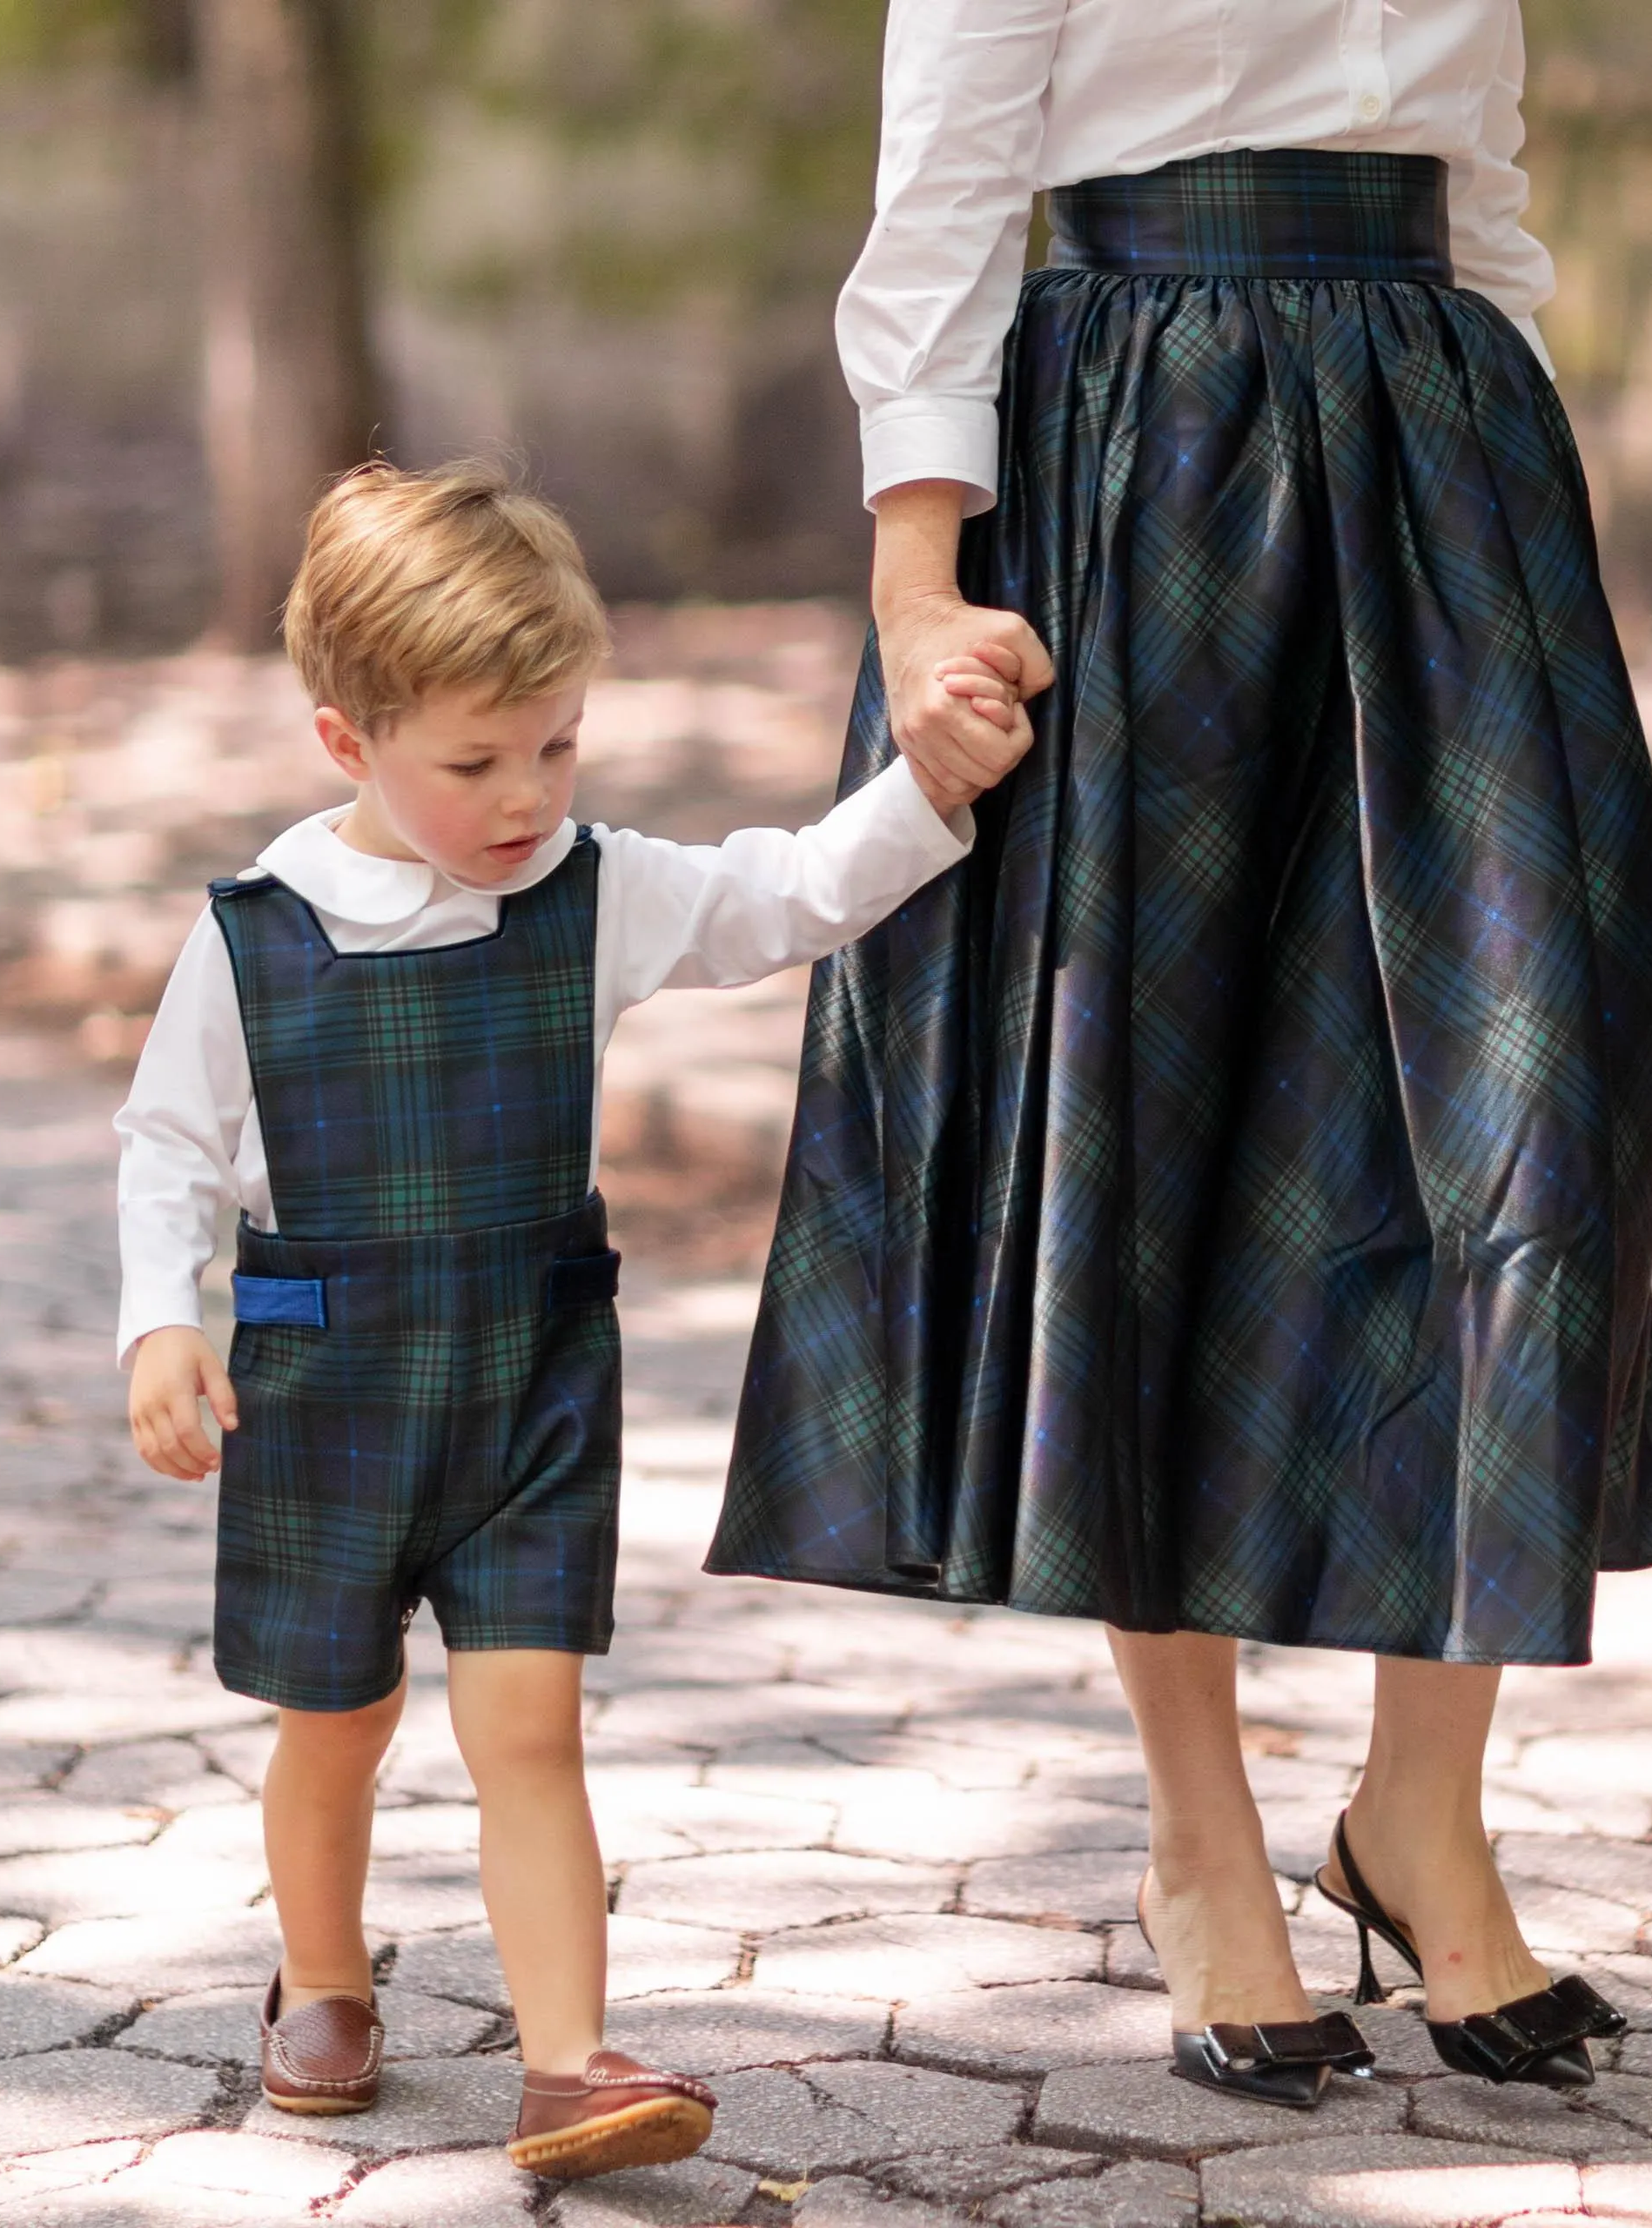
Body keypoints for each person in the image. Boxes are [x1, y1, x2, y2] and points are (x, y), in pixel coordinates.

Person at [709, 0, 1652, 2104]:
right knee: (1144, 1148)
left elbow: (1489, 205)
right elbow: (948, 212)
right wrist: (915, 587)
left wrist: (1527, 509)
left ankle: (1419, 1807)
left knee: (1535, 1128)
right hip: (1139, 477)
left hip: (1446, 477)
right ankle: (1201, 1836)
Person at [115, 460, 1024, 2174]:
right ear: (346, 743)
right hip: (325, 1392)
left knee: (528, 1724)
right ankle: (321, 1976)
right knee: (337, 1722)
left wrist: (926, 783)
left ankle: (566, 2060)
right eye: (474, 761)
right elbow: (167, 1146)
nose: (526, 791)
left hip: (532, 1388)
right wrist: (161, 1326)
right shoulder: (251, 939)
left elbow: (790, 893)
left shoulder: (587, 892)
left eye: (555, 744)